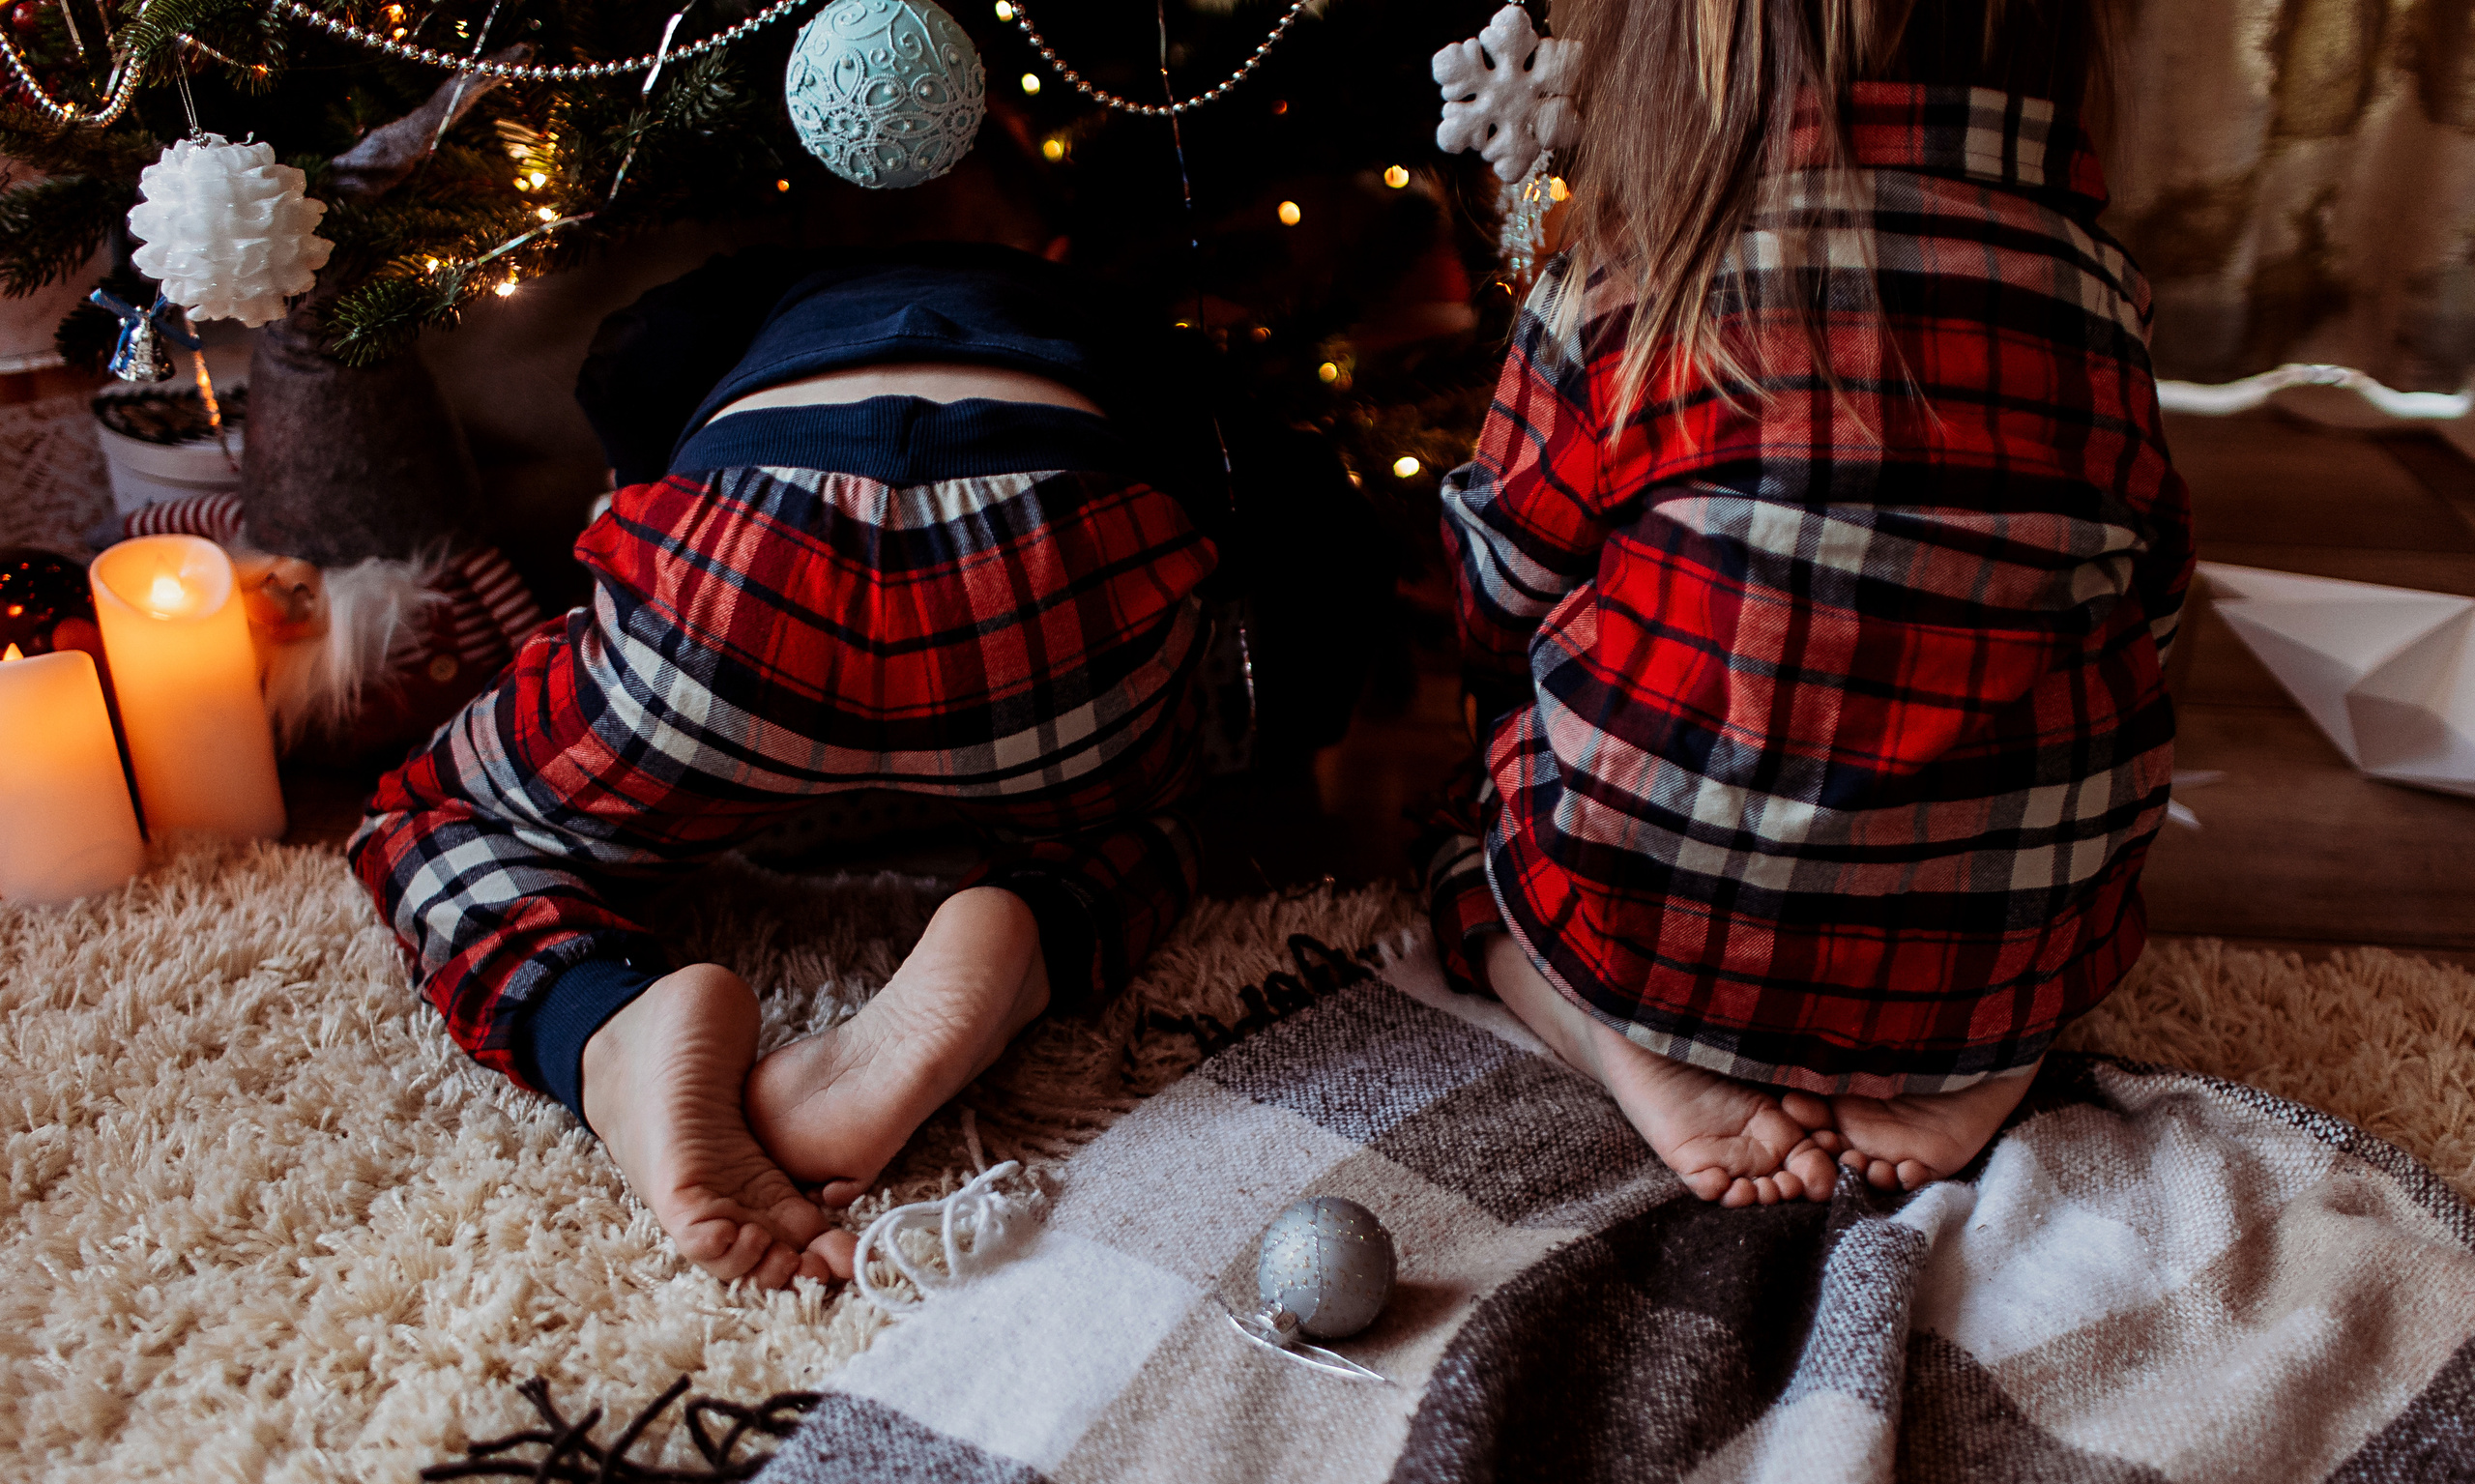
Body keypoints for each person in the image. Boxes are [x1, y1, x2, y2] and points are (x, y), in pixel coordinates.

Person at [1426, 0, 2191, 1206]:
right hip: (1989, 942)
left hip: (1653, 929)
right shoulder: (2098, 290)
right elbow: (2150, 605)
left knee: (1465, 840)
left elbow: (1497, 590)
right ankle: (1988, 1053)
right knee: (2067, 797)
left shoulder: (1630, 278)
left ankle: (1602, 1029)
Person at [350, 240, 1222, 1289]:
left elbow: (634, 439)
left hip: (745, 562)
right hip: (1053, 559)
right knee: (1176, 819)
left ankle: (605, 1020)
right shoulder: (1109, 311)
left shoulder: (735, 302)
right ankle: (1024, 934)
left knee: (428, 816)